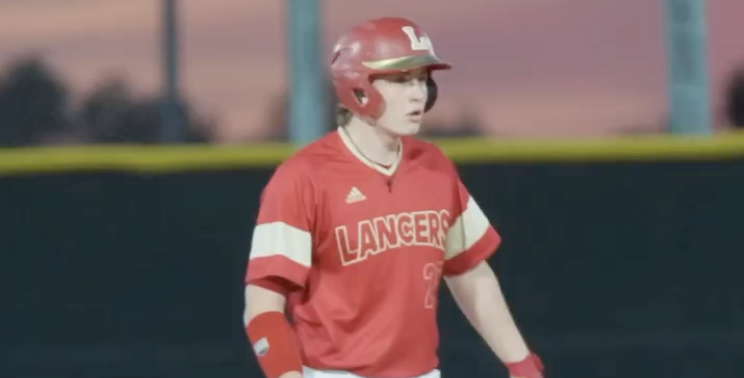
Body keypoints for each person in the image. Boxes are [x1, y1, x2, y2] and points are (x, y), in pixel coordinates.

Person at [243, 17, 545, 378]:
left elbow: (469, 271)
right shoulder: (302, 178)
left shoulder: (434, 167)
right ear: (358, 87)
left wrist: (521, 363)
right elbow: (262, 305)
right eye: (402, 81)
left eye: (422, 80)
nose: (418, 93)